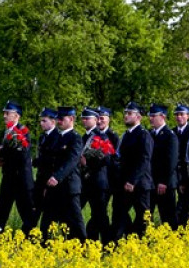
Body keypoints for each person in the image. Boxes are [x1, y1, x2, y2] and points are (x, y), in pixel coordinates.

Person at [40, 107, 85, 240]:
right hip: (54, 187)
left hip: (69, 185)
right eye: (57, 119)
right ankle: (44, 246)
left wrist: (57, 177)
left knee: (74, 219)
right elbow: (50, 159)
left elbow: (72, 161)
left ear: (71, 119)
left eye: (62, 119)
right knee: (48, 219)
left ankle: (83, 245)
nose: (59, 121)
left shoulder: (75, 138)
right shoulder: (57, 137)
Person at [110, 102, 153, 240]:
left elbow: (144, 160)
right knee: (119, 213)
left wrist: (132, 180)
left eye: (129, 113)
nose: (126, 116)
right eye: (125, 113)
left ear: (138, 117)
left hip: (139, 184)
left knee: (143, 216)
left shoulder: (143, 135)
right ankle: (119, 243)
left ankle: (144, 242)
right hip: (125, 183)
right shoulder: (126, 135)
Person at [0, 101, 37, 232]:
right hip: (8, 178)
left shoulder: (22, 132)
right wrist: (1, 158)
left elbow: (21, 154)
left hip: (21, 180)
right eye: (4, 113)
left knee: (27, 214)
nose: (4, 116)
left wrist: (0, 153)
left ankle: (32, 240)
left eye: (8, 113)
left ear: (17, 116)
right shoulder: (6, 132)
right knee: (1, 213)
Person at [79, 107, 112, 242]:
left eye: (88, 118)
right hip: (85, 182)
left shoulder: (101, 136)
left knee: (100, 215)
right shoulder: (84, 137)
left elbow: (107, 159)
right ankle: (86, 242)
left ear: (96, 120)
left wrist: (87, 162)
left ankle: (107, 244)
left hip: (98, 181)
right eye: (83, 118)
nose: (85, 121)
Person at [148, 104, 179, 228]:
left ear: (162, 117)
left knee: (168, 216)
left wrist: (163, 181)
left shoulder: (170, 136)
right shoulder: (150, 134)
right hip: (152, 182)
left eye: (153, 116)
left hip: (165, 183)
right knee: (146, 215)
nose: (150, 118)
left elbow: (171, 161)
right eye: (149, 116)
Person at [32, 107, 60, 221]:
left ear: (53, 122)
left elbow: (52, 160)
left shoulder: (57, 137)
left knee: (48, 214)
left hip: (49, 179)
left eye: (44, 121)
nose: (41, 123)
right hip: (40, 177)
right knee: (34, 210)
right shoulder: (43, 137)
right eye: (41, 120)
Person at [173, 104, 189, 224]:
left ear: (188, 116)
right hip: (175, 172)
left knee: (185, 205)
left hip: (187, 174)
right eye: (177, 114)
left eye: (182, 114)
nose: (179, 117)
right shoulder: (172, 132)